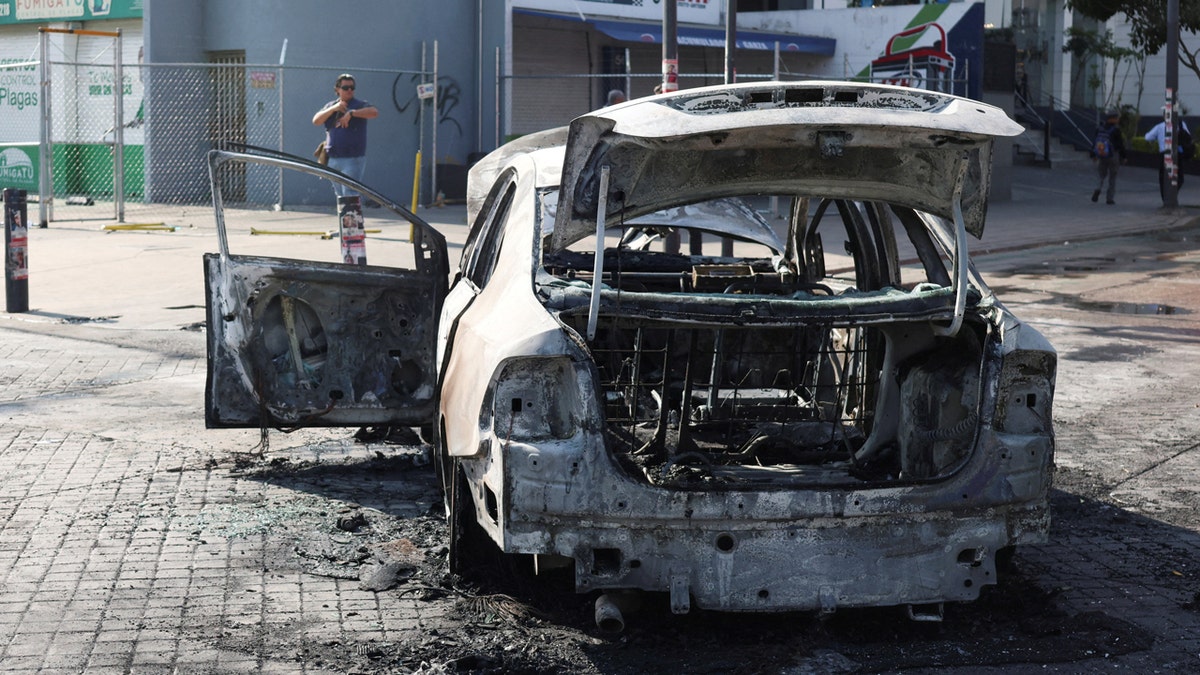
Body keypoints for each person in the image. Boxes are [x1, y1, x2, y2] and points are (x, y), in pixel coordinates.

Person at [312, 73, 378, 196]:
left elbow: (374, 112)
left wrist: (351, 113)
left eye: (352, 88)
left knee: (350, 193)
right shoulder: (331, 106)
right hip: (333, 158)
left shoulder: (359, 105)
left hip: (352, 159)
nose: (349, 90)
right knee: (340, 195)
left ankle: (351, 209)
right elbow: (316, 120)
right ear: (337, 89)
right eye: (345, 88)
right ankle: (344, 210)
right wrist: (334, 109)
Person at [1145, 110, 1192, 204]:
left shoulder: (1160, 126)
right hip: (1177, 154)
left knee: (1163, 177)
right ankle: (1172, 194)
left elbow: (1147, 137)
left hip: (1164, 154)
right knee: (1179, 177)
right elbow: (1188, 136)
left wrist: (1157, 138)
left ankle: (1166, 198)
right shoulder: (1181, 124)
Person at [1089, 111, 1126, 205]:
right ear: (1113, 119)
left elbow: (1095, 142)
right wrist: (1124, 156)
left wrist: (1093, 154)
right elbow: (1120, 145)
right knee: (1112, 177)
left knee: (1101, 174)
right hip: (1113, 155)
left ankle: (1098, 188)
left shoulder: (1100, 128)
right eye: (1117, 118)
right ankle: (1109, 198)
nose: (1118, 120)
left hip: (1102, 154)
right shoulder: (1116, 130)